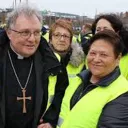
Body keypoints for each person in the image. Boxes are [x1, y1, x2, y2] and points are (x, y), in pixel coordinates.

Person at [0, 3, 64, 128]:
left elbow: (62, 93)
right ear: (9, 33)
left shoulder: (52, 61)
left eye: (36, 32)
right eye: (25, 32)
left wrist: (51, 120)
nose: (32, 39)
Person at [61, 30, 128, 128]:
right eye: (92, 53)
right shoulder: (78, 80)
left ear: (118, 59)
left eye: (103, 55)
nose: (96, 59)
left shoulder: (123, 94)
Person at [38, 19, 85, 128]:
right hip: (43, 118)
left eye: (66, 36)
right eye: (57, 35)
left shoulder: (81, 62)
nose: (61, 39)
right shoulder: (40, 60)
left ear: (70, 40)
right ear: (50, 39)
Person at [91, 14, 128, 80]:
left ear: (117, 32)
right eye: (98, 30)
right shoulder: (87, 54)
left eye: (106, 29)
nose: (102, 33)